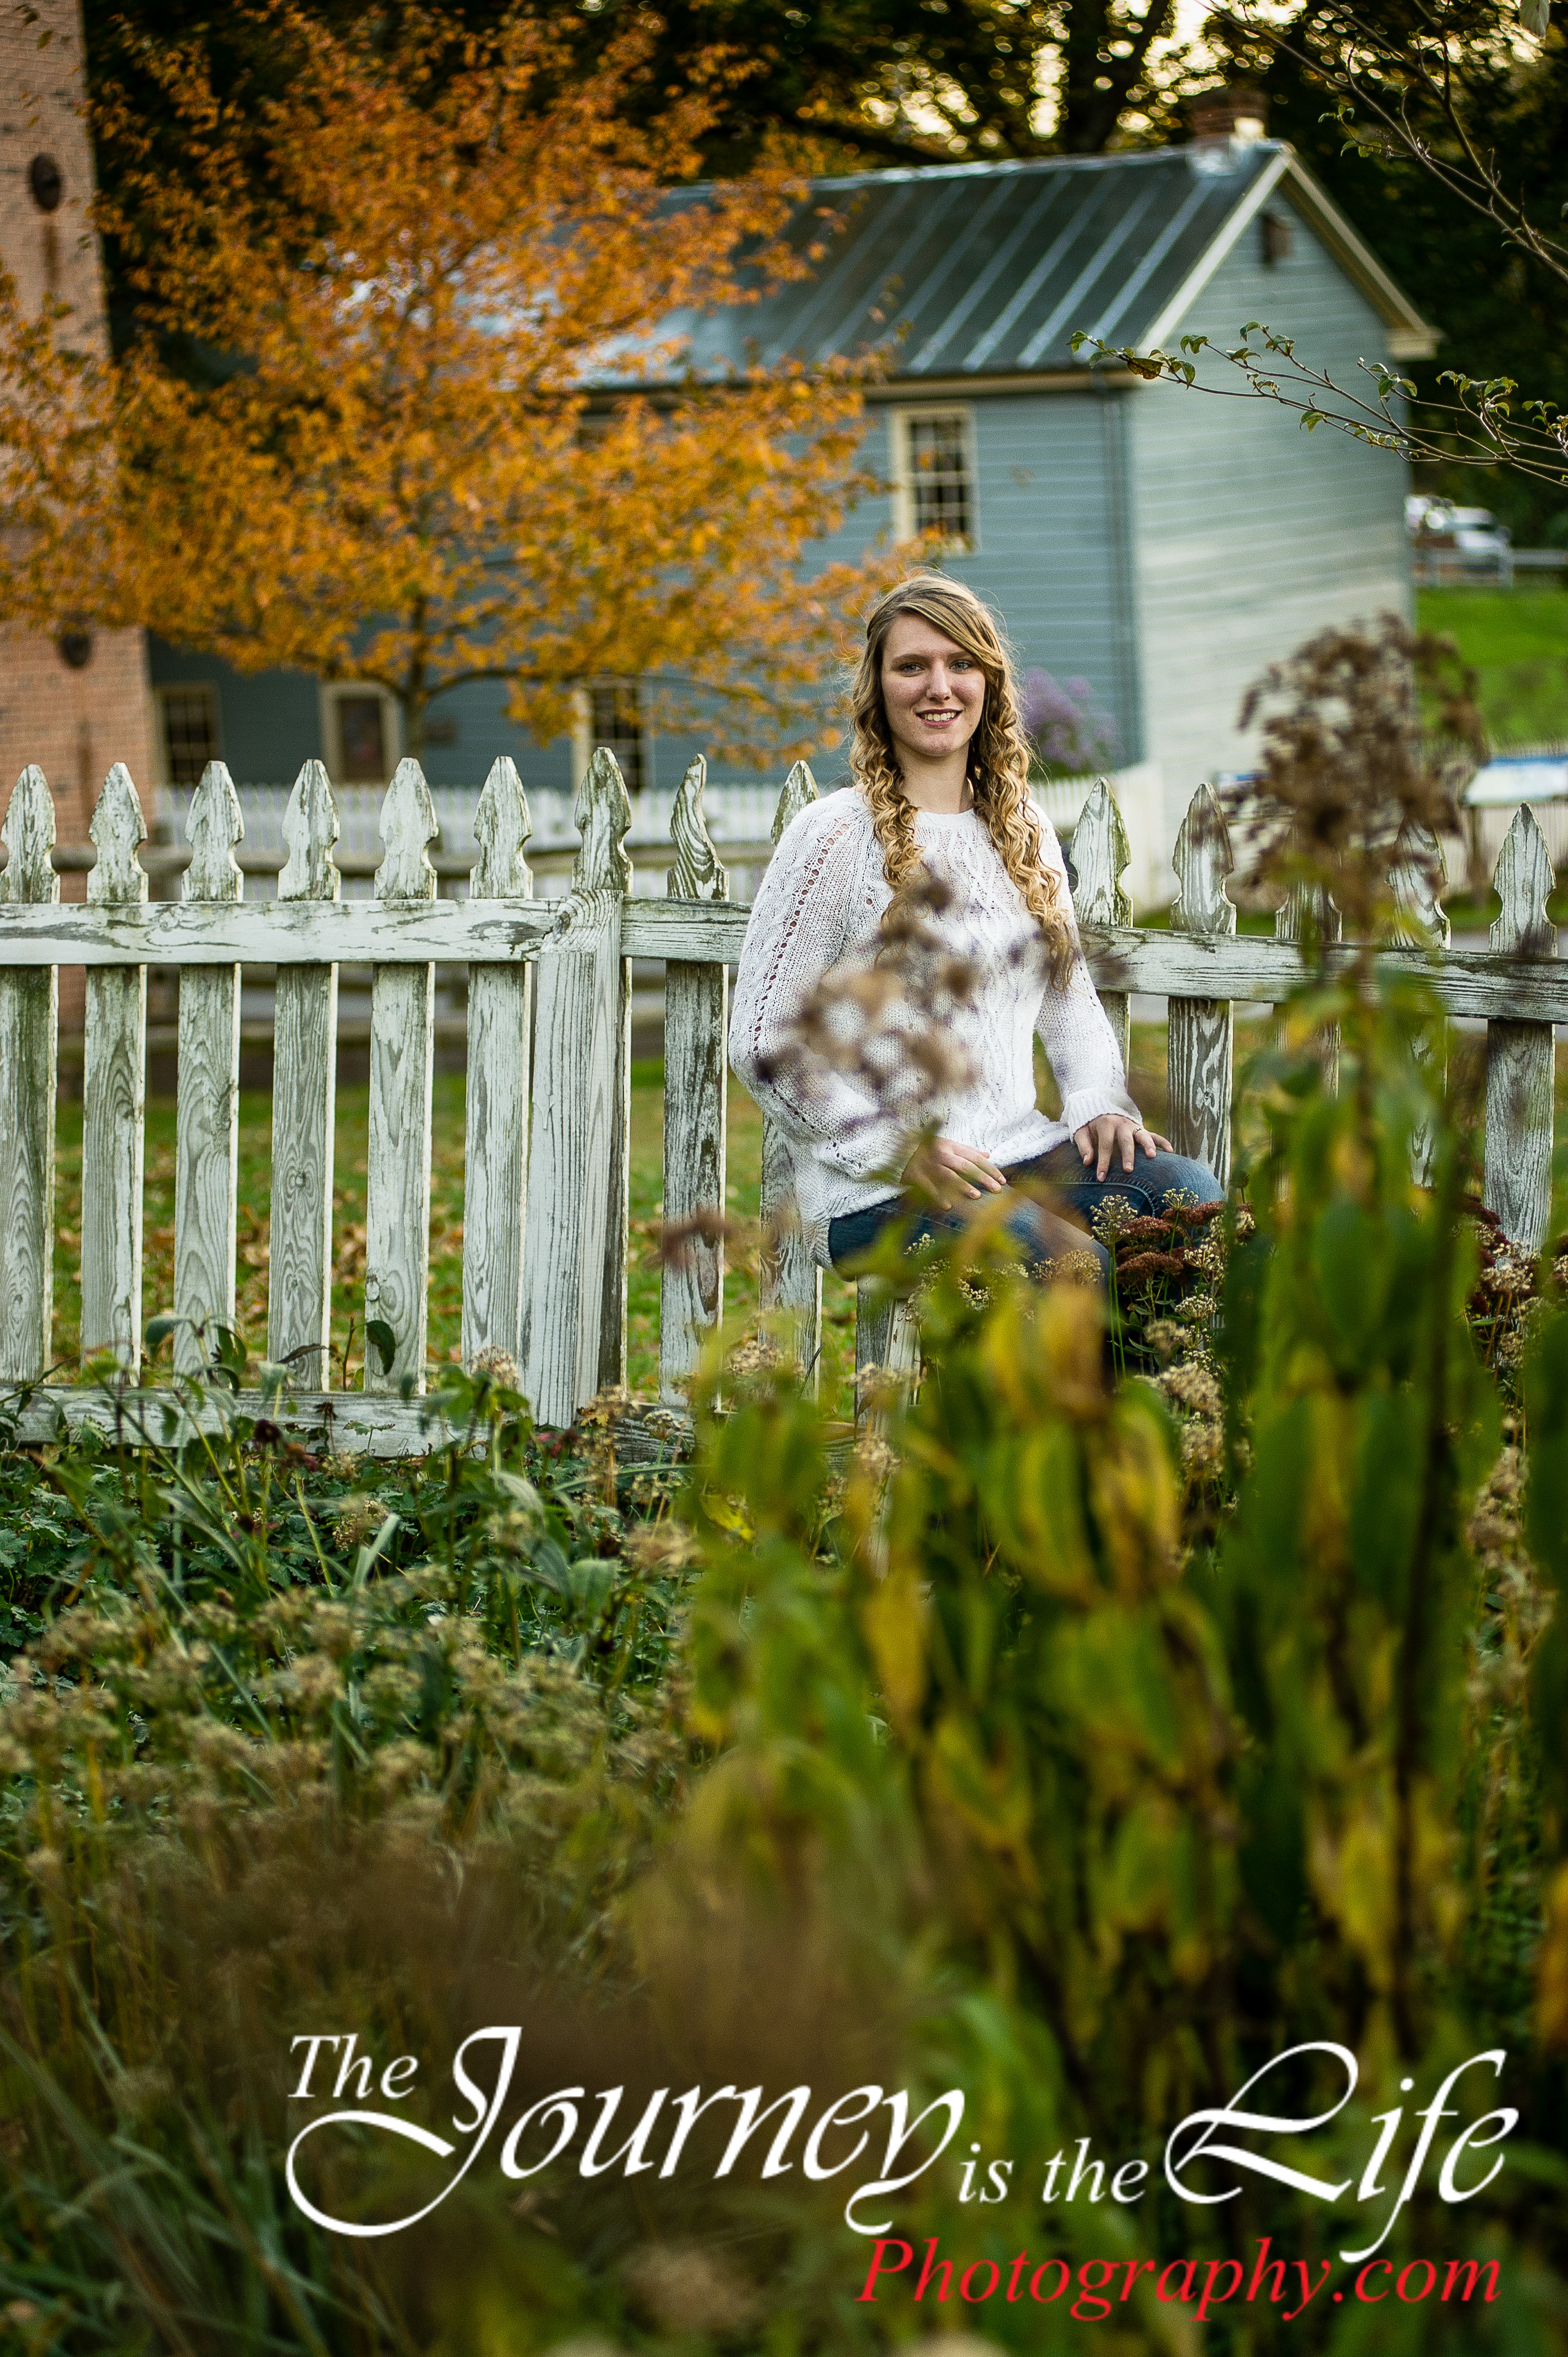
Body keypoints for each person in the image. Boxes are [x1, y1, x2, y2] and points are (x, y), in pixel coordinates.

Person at [730, 575, 1221, 1282]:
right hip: (877, 1189)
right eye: (912, 666)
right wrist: (898, 1149)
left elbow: (1069, 1000)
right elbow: (762, 1041)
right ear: (877, 688)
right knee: (1071, 1267)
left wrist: (1098, 1101)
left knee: (1187, 1201)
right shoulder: (833, 835)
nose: (939, 687)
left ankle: (1160, 1360)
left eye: (960, 663)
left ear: (988, 682)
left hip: (1016, 1153)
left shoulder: (1023, 831)